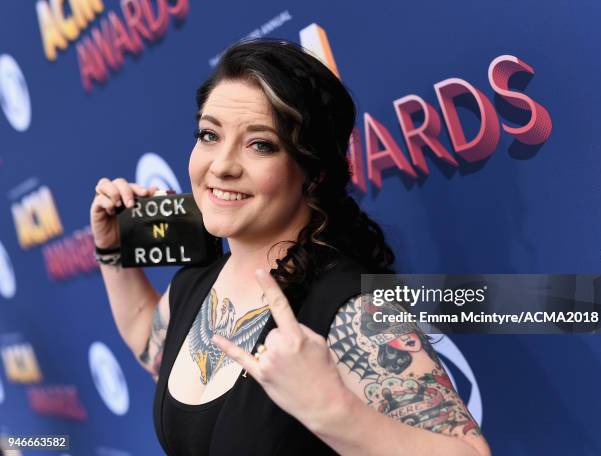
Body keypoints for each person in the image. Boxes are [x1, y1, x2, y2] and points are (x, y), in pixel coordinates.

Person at [90, 39, 491, 456]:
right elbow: (149, 341)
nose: (222, 165)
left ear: (313, 172)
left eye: (260, 144)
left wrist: (331, 410)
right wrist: (112, 253)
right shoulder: (196, 282)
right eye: (209, 135)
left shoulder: (351, 308)